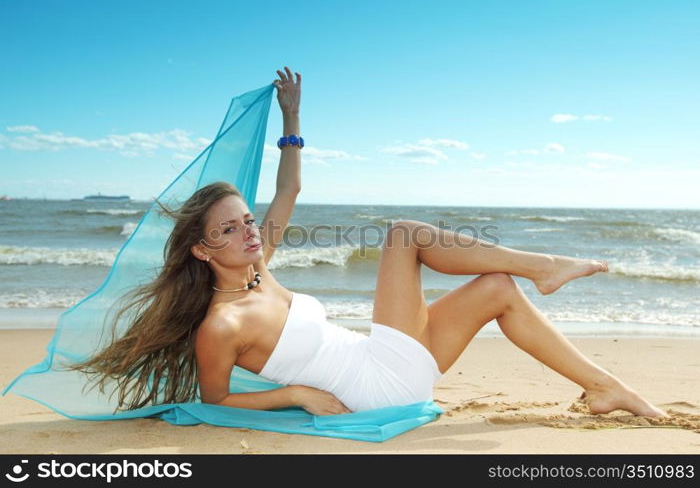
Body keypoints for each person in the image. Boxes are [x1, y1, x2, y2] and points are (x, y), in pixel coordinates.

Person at [68, 66, 668, 419]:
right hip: (377, 386)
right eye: (230, 228)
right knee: (403, 235)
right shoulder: (219, 325)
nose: (251, 230)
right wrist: (298, 394)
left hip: (387, 364)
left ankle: (604, 386)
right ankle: (546, 265)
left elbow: (289, 188)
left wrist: (292, 120)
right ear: (201, 250)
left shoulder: (259, 269)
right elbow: (215, 402)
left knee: (496, 288)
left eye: (247, 220)